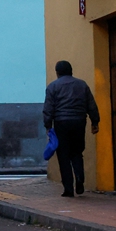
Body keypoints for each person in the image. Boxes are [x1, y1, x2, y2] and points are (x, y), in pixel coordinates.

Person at [43, 60, 101, 197]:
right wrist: (95, 122)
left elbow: (48, 109)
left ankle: (68, 188)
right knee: (76, 152)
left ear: (57, 73)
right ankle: (80, 177)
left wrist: (48, 126)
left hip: (61, 123)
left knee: (63, 156)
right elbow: (91, 105)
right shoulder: (82, 85)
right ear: (71, 71)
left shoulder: (53, 87)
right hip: (79, 122)